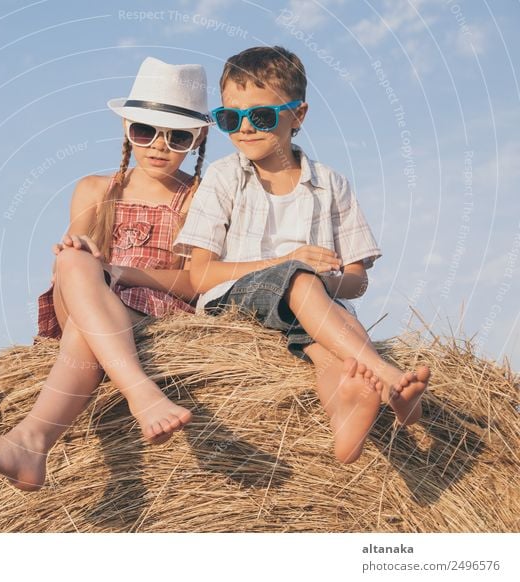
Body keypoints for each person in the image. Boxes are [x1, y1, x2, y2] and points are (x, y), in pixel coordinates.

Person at [0, 57, 211, 489]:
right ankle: (141, 392)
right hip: (85, 296)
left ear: (198, 139)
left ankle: (30, 441)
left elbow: (198, 281)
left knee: (91, 326)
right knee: (73, 261)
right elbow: (67, 273)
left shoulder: (200, 200)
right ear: (126, 128)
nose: (159, 145)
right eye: (145, 131)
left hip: (152, 315)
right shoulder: (94, 190)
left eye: (177, 137)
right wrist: (79, 253)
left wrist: (122, 272)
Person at [174, 46, 430, 464]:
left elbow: (357, 279)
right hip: (234, 307)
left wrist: (324, 282)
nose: (244, 128)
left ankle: (348, 414)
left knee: (335, 357)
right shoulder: (223, 177)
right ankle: (388, 377)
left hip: (315, 309)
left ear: (299, 115)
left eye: (261, 116)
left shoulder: (332, 184)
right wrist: (290, 267)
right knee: (297, 278)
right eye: (229, 117)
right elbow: (200, 275)